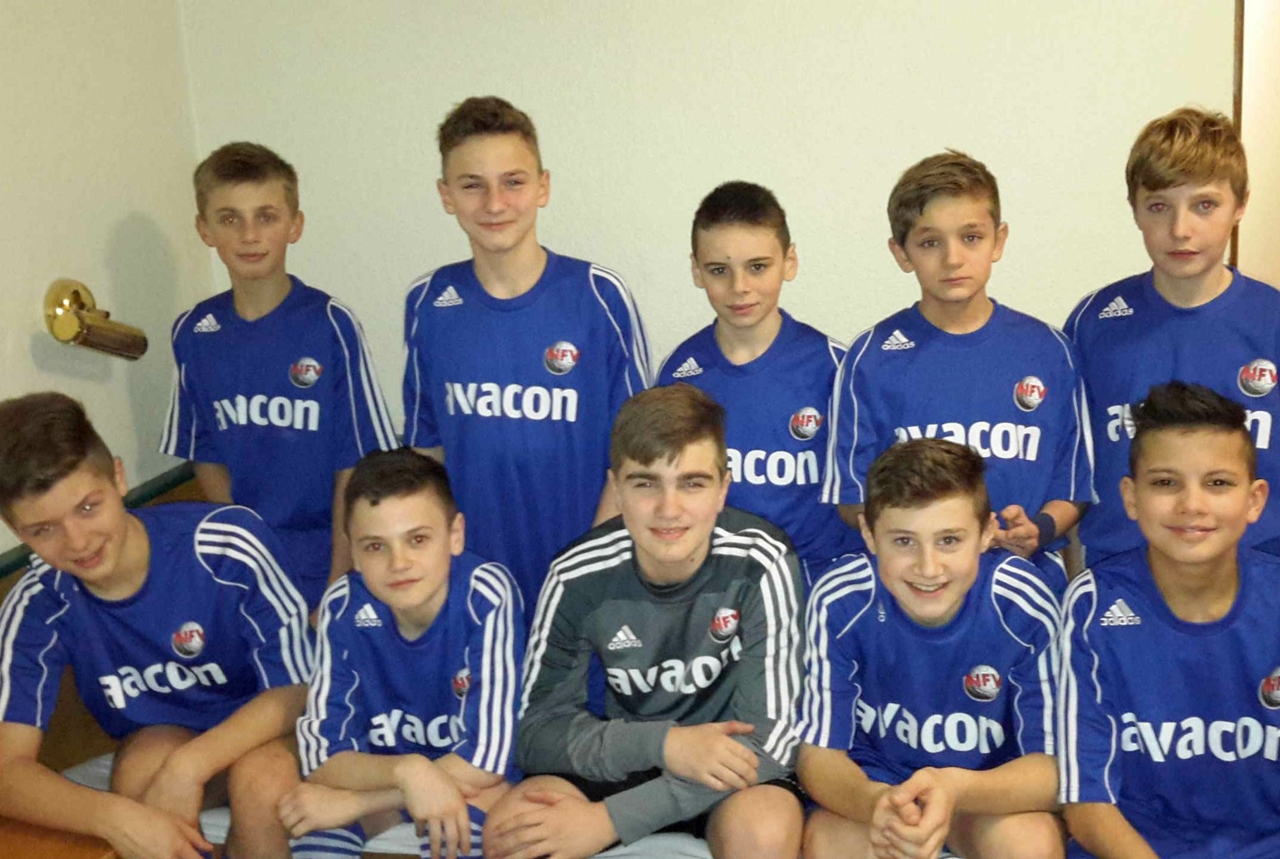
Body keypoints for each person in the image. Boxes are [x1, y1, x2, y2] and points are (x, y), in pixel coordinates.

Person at [483, 384, 806, 859]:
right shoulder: (576, 574)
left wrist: (609, 820)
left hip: (731, 777)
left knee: (766, 831)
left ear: (723, 489)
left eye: (692, 483)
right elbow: (535, 732)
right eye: (645, 483)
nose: (668, 509)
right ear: (616, 489)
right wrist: (665, 745)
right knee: (514, 829)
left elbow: (772, 743)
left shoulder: (762, 560)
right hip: (629, 759)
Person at [0, 392, 313, 859]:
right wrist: (115, 817)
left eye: (88, 507)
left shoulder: (227, 545)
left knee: (261, 781)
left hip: (274, 731)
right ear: (16, 531)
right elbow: (6, 770)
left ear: (119, 478)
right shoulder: (39, 601)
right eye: (43, 530)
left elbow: (300, 689)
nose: (77, 542)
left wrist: (189, 767)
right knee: (141, 771)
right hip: (164, 742)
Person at [402, 96, 650, 619]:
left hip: (585, 581)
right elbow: (426, 455)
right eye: (472, 185)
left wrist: (588, 570)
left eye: (513, 182)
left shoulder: (598, 298)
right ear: (446, 195)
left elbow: (636, 455)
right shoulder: (429, 303)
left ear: (543, 186)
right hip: (471, 584)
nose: (495, 204)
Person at [823, 150, 1093, 575]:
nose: (952, 259)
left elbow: (1074, 485)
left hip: (1024, 582)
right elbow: (851, 498)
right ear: (901, 253)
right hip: (914, 582)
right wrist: (929, 537)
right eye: (930, 242)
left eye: (971, 237)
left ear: (998, 240)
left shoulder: (1049, 351)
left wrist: (1038, 529)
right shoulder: (872, 358)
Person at [800, 438, 1062, 859]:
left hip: (984, 795)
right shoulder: (840, 600)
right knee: (828, 842)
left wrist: (956, 789)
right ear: (869, 534)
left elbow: (1055, 770)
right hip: (877, 792)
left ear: (986, 533)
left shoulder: (1023, 602)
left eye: (949, 540)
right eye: (904, 541)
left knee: (1031, 843)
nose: (927, 567)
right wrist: (877, 804)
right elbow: (818, 758)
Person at [162, 141, 397, 609]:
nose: (249, 235)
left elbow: (354, 462)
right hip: (246, 562)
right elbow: (204, 452)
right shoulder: (193, 332)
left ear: (295, 225)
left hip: (328, 553)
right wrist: (243, 549)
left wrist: (337, 580)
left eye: (266, 216)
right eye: (230, 218)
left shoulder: (330, 325)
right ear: (205, 229)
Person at [1059, 381, 1280, 858]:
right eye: (1165, 483)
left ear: (1255, 499)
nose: (1191, 505)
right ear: (1131, 497)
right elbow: (1085, 801)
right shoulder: (1093, 605)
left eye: (1217, 483)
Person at [281, 448, 524, 859]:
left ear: (456, 535)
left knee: (459, 824)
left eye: (417, 539)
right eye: (376, 546)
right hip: (380, 776)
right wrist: (406, 771)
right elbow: (323, 757)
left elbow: (485, 761)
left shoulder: (485, 594)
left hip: (469, 786)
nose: (399, 562)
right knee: (314, 830)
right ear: (354, 554)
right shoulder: (343, 606)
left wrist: (363, 802)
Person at [1065, 107, 1280, 564]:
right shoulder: (1094, 322)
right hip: (1121, 572)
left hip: (1259, 572)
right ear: (1135, 210)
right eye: (1159, 207)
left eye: (1205, 205)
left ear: (1240, 205)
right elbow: (1068, 463)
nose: (1181, 230)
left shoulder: (1272, 321)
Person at [656, 181, 860, 584]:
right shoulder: (679, 374)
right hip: (718, 589)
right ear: (697, 271)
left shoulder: (836, 368)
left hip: (817, 584)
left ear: (789, 262)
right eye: (719, 270)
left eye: (757, 267)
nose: (739, 288)